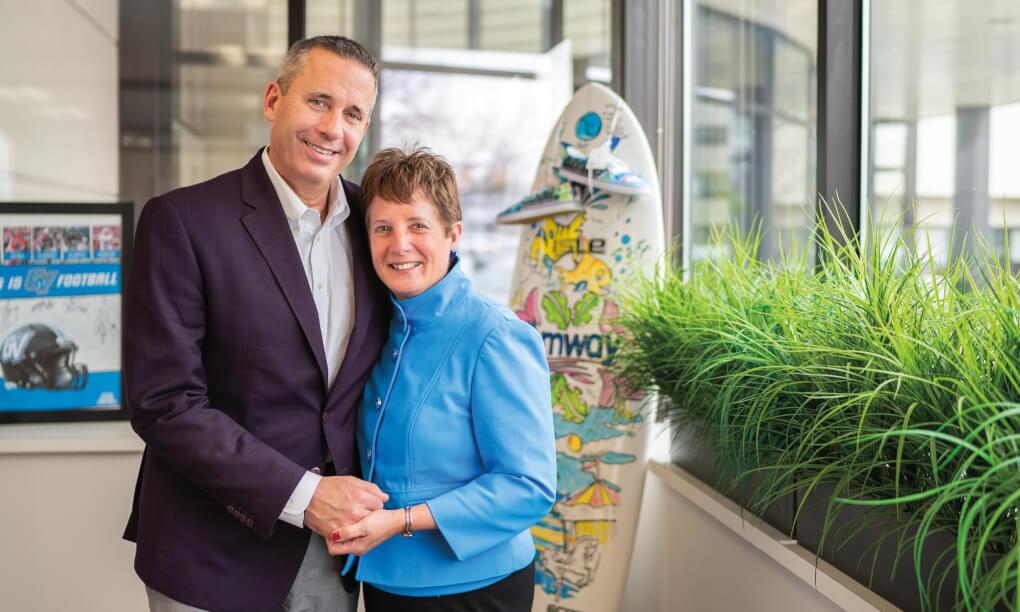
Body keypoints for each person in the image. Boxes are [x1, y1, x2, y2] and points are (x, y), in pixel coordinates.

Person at [123, 36, 391, 612]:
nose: (332, 128)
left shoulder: (375, 226)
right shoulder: (182, 221)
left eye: (353, 114)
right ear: (273, 99)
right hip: (210, 552)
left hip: (334, 553)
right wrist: (305, 494)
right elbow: (165, 402)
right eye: (318, 101)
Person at [328, 147, 557, 611]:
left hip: (474, 587)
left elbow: (528, 485)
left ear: (453, 234)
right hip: (386, 580)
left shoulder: (496, 335)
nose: (400, 245)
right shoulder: (378, 329)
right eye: (383, 228)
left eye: (417, 226)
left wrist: (402, 520)